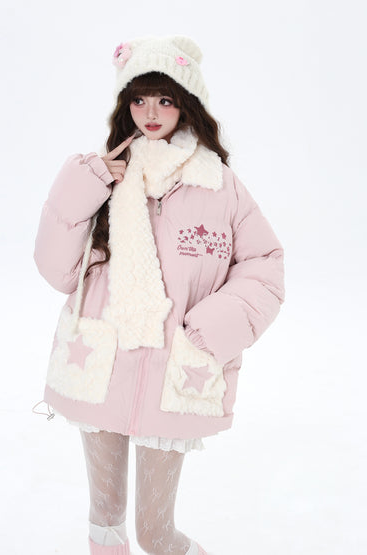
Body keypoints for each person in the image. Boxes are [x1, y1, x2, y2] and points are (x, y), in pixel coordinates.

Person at [33, 35, 285, 555]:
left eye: (165, 100)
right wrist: (85, 183)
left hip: (178, 370)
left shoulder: (219, 185)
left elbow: (265, 267)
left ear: (186, 104)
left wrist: (209, 329)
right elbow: (58, 270)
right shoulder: (103, 176)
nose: (151, 113)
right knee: (104, 522)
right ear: (125, 105)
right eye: (139, 99)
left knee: (155, 534)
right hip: (101, 366)